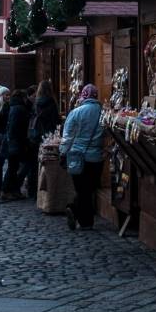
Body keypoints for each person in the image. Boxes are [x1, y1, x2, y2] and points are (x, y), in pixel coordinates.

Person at [59, 84, 106, 231]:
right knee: (89, 189)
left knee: (81, 189)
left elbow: (67, 136)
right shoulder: (103, 113)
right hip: (96, 157)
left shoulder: (76, 112)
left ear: (83, 95)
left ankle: (78, 214)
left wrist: (63, 153)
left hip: (77, 156)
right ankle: (83, 218)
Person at [0, 87, 34, 202]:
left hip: (14, 142)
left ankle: (12, 190)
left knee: (13, 167)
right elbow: (15, 127)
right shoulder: (19, 108)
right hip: (16, 143)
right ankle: (7, 191)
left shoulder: (14, 107)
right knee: (13, 168)